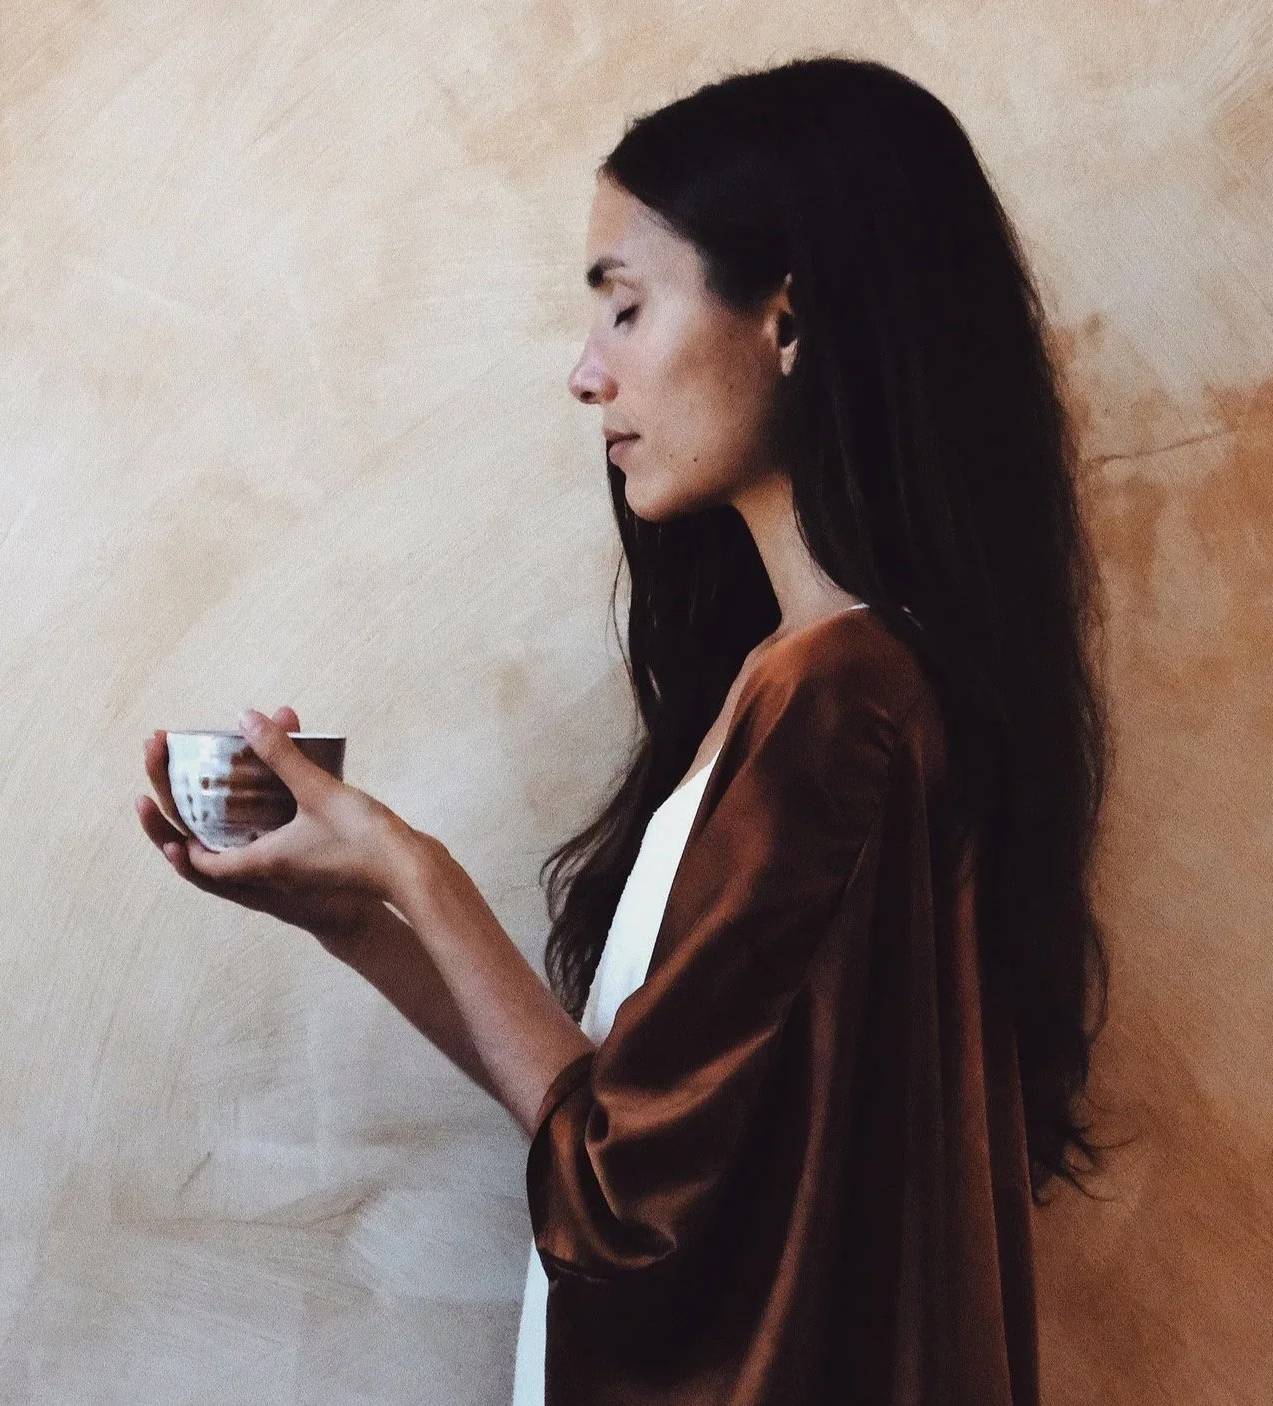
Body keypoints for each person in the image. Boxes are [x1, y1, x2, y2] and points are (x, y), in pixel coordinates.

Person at [134, 55, 1108, 1406]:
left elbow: (613, 1194)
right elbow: (612, 1116)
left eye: (629, 308)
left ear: (786, 316)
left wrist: (415, 868)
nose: (587, 374)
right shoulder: (805, 682)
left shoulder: (839, 704)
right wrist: (350, 916)